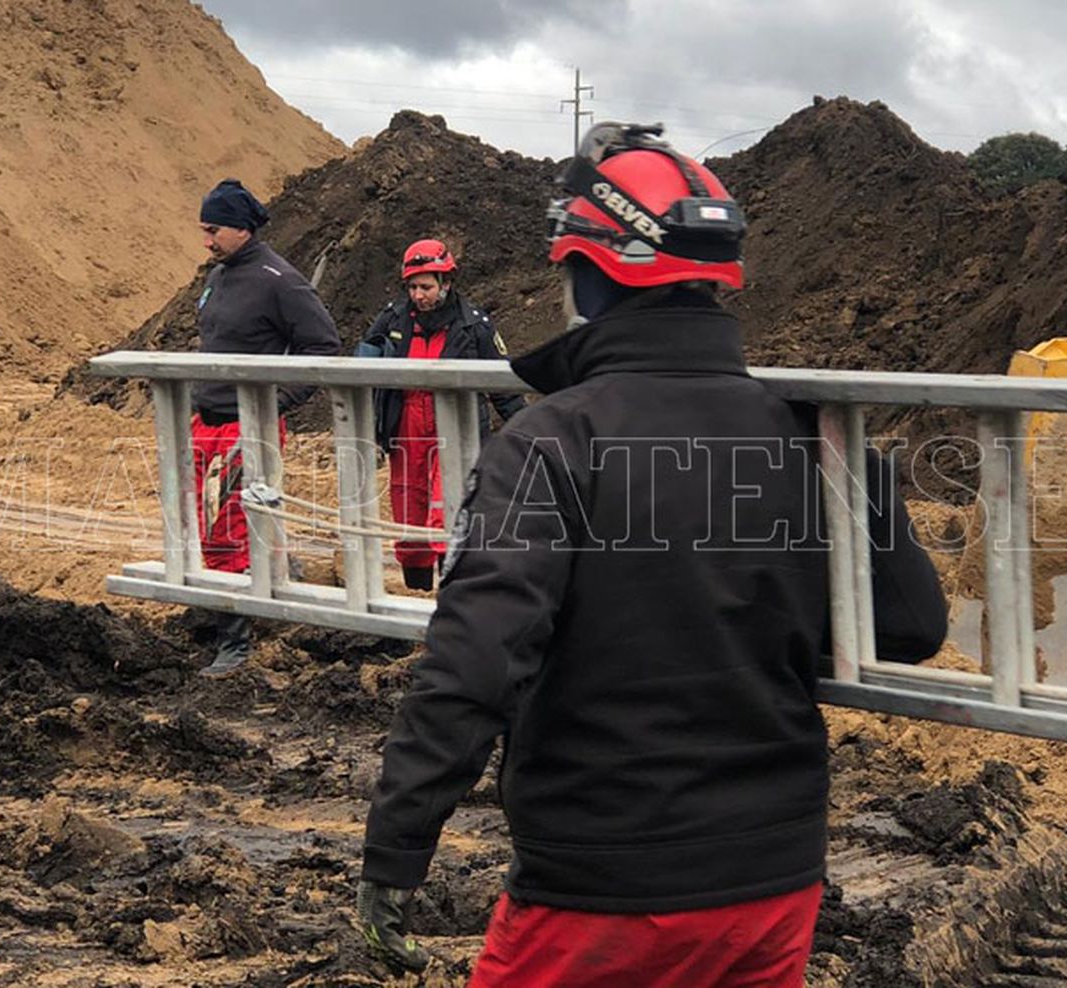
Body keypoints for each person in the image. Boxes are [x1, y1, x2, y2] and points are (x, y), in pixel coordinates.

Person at [355, 123, 948, 985]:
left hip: (601, 882)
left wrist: (397, 846)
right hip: (773, 882)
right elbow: (912, 626)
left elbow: (476, 658)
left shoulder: (549, 440)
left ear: (593, 271)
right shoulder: (809, 435)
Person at [192, 178, 342, 678]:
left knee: (231, 528)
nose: (206, 240)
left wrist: (275, 402)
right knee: (209, 522)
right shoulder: (220, 276)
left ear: (241, 227)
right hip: (206, 419)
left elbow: (322, 347)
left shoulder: (280, 279)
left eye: (213, 230)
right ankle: (266, 586)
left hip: (246, 425)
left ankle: (236, 641)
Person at [357, 240, 525, 592]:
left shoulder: (473, 325)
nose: (419, 295)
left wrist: (525, 431)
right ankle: (417, 590)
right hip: (405, 428)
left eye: (426, 287)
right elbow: (360, 368)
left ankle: (452, 594)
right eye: (413, 287)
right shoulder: (392, 319)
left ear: (446, 284)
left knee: (447, 510)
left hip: (456, 433)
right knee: (409, 511)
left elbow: (501, 384)